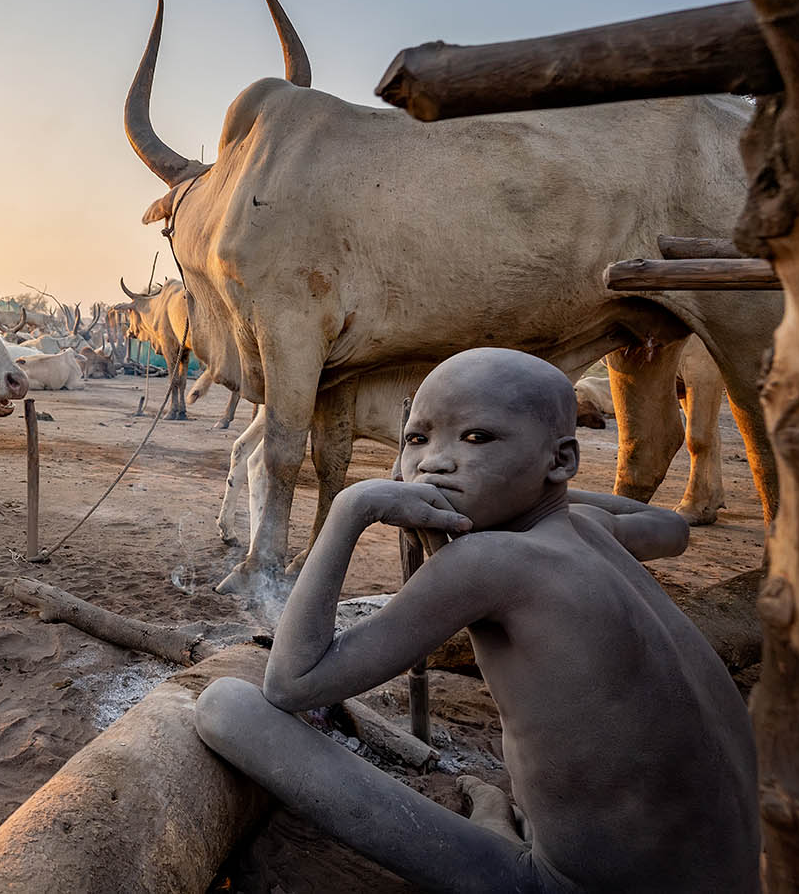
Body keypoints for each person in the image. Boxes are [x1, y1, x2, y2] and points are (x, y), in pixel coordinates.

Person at [194, 347, 758, 893]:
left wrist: (352, 509)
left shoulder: (489, 563)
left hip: (574, 886)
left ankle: (503, 829)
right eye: (416, 440)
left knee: (227, 705)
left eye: (477, 438)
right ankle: (505, 817)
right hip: (732, 872)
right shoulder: (590, 527)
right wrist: (543, 483)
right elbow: (671, 527)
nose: (434, 462)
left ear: (562, 459)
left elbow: (291, 684)